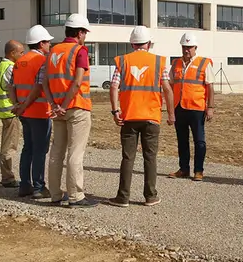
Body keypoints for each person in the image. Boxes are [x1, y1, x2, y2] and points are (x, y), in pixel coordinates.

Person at [107, 26, 175, 208]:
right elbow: (167, 89)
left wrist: (115, 111)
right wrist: (171, 114)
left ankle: (123, 198)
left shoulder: (123, 61)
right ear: (149, 43)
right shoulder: (159, 62)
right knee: (150, 158)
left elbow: (114, 87)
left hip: (129, 117)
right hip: (152, 117)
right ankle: (150, 196)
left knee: (128, 158)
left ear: (132, 43)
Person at [41, 13, 96, 208]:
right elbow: (77, 81)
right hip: (76, 107)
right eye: (85, 33)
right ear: (80, 32)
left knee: (56, 152)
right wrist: (64, 105)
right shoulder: (79, 51)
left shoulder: (54, 51)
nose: (85, 36)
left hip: (58, 110)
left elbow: (44, 82)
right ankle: (76, 196)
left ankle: (56, 194)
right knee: (75, 152)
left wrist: (55, 105)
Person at [11, 25, 54, 199]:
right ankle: (38, 186)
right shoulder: (42, 61)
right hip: (38, 111)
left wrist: (17, 104)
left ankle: (25, 185)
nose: (50, 45)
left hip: (24, 112)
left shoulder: (19, 62)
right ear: (41, 43)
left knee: (27, 148)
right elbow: (38, 88)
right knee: (39, 150)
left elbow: (11, 86)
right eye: (48, 42)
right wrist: (25, 105)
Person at [168, 32, 215, 181]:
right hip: (179, 107)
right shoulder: (175, 63)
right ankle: (184, 169)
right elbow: (169, 84)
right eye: (184, 47)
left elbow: (210, 87)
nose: (186, 50)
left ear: (195, 47)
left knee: (199, 141)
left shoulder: (204, 63)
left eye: (189, 47)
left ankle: (199, 171)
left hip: (196, 108)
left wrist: (210, 107)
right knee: (182, 141)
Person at [0, 40, 24, 187]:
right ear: (12, 53)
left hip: (4, 109)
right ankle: (7, 178)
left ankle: (7, 176)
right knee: (9, 146)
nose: (22, 55)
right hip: (10, 111)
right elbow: (12, 88)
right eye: (21, 52)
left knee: (7, 143)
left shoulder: (2, 65)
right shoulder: (11, 67)